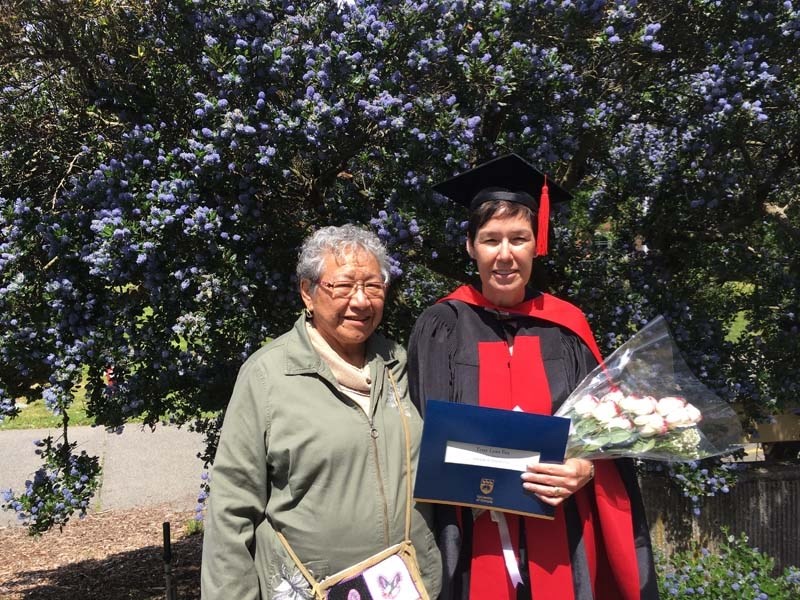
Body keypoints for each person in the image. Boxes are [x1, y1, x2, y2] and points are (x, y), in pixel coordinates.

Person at [407, 154, 659, 600]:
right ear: (471, 247)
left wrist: (584, 468)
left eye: (518, 239)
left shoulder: (568, 328)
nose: (505, 255)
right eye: (490, 240)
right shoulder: (442, 327)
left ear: (536, 243)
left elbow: (605, 435)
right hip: (468, 539)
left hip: (563, 535)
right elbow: (423, 432)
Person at [201, 224, 442, 600]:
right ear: (308, 293)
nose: (360, 301)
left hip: (409, 586)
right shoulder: (269, 376)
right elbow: (231, 509)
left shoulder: (400, 364)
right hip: (311, 591)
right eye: (343, 286)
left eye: (373, 286)